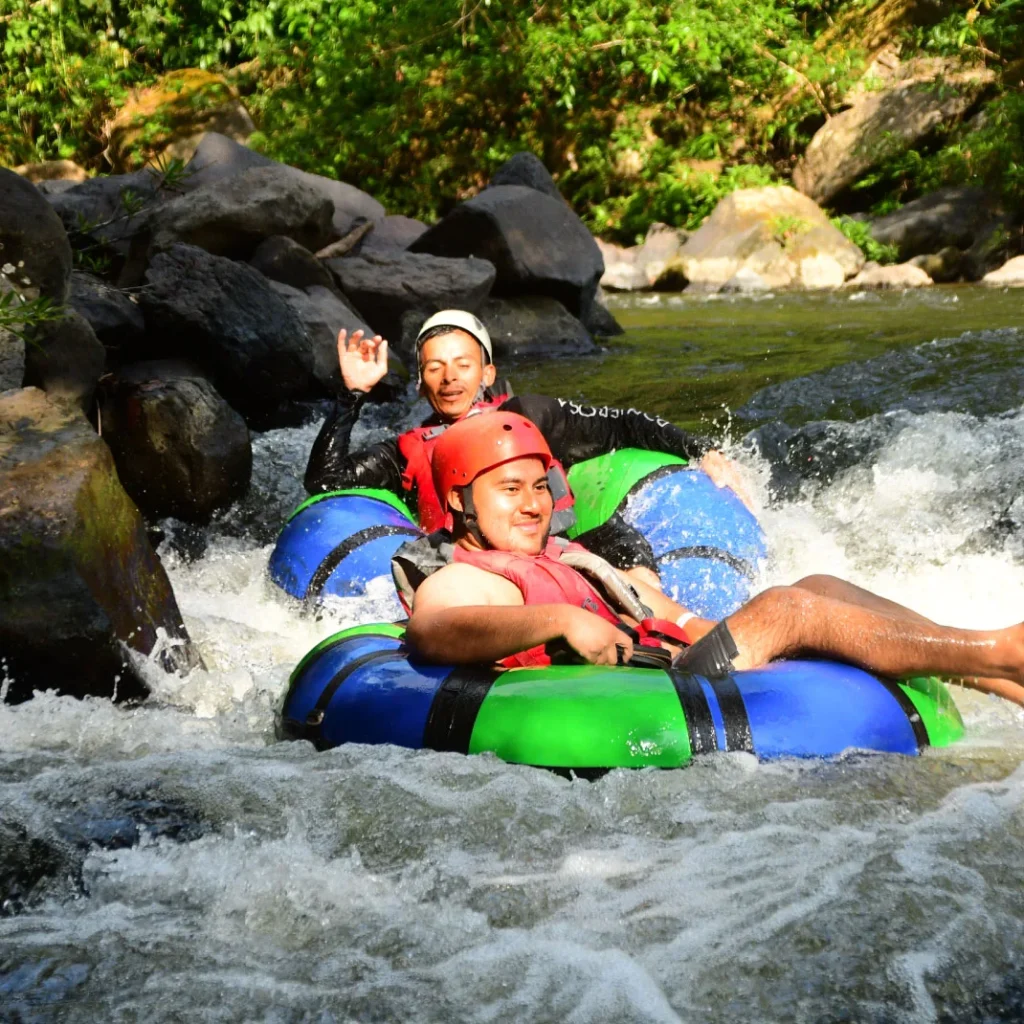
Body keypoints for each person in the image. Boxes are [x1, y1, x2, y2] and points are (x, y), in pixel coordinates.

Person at [400, 411, 1024, 706]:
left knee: (817, 583)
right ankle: (1001, 649)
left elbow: (665, 611)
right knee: (787, 609)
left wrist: (723, 632)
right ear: (460, 499)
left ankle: (992, 675)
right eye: (509, 491)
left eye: (539, 488)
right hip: (653, 688)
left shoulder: (565, 554)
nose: (533, 505)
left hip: (678, 660)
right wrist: (558, 621)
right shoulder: (464, 573)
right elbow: (433, 630)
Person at [304, 311, 749, 586]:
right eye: (435, 368)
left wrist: (701, 450)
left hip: (558, 556)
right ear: (421, 386)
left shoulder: (530, 416)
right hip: (471, 570)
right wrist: (351, 395)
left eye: (463, 365)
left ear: (488, 373)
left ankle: (650, 625)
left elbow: (623, 426)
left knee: (616, 537)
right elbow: (326, 482)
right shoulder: (406, 451)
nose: (450, 378)